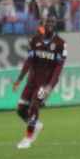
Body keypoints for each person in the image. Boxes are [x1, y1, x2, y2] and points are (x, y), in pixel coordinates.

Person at [12, 16, 67, 149]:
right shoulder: (35, 40)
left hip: (45, 83)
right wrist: (19, 79)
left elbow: (58, 68)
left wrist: (50, 86)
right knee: (20, 110)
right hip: (32, 81)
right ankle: (36, 124)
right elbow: (28, 61)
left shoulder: (60, 44)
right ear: (43, 24)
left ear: (55, 25)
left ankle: (28, 138)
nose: (50, 25)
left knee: (34, 106)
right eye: (47, 22)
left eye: (52, 22)